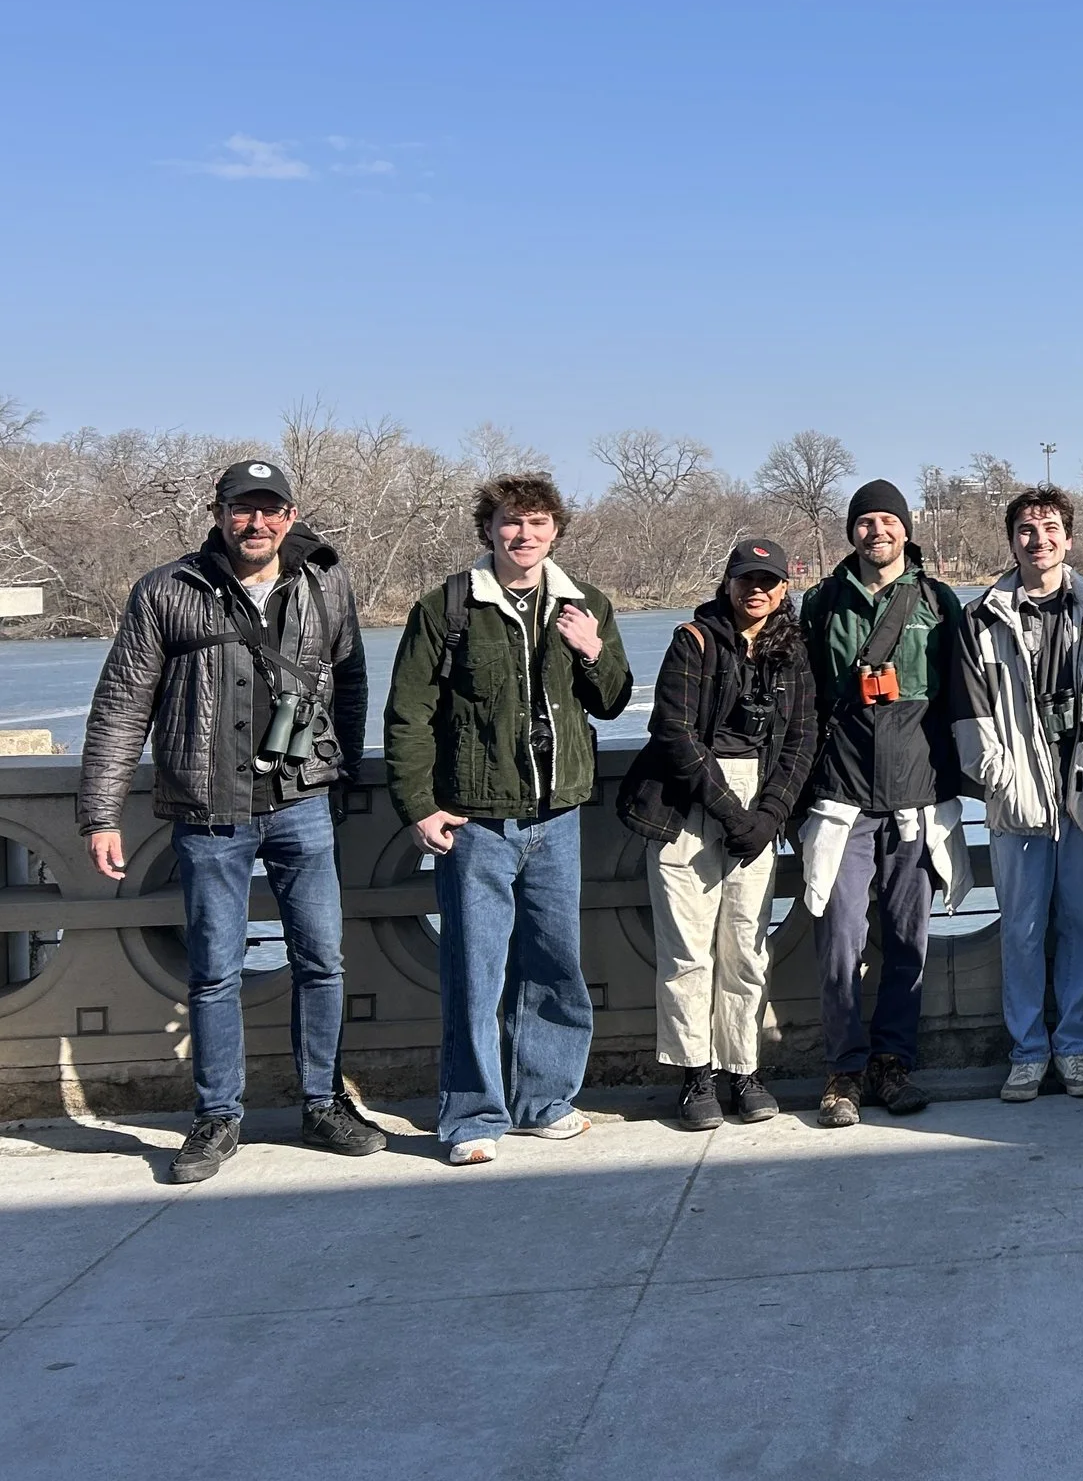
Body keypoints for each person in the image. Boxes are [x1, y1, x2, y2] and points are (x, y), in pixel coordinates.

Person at [78, 458, 385, 1183]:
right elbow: (122, 704)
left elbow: (351, 678)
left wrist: (339, 769)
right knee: (214, 971)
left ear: (290, 512)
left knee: (322, 960)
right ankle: (217, 1117)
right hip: (207, 810)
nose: (257, 522)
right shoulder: (167, 590)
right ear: (217, 513)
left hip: (302, 804)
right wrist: (101, 812)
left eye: (270, 509)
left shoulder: (324, 581)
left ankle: (323, 1101)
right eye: (242, 509)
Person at [384, 472, 633, 1166]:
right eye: (509, 522)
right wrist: (418, 806)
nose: (523, 534)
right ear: (488, 530)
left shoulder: (585, 604)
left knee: (555, 964)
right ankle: (471, 1115)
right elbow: (408, 716)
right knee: (475, 970)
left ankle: (544, 1100)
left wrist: (592, 648)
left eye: (537, 522)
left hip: (558, 816)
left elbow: (612, 699)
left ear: (557, 529)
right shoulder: (448, 607)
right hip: (476, 820)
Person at [617, 538, 818, 1130]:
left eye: (769, 581)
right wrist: (732, 813)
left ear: (784, 589)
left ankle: (744, 1069)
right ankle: (694, 1075)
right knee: (687, 950)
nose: (756, 590)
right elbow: (674, 732)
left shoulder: (793, 650)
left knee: (747, 949)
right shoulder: (693, 640)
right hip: (687, 806)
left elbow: (803, 737)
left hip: (760, 804)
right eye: (746, 579)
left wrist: (771, 814)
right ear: (726, 583)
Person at [794, 480, 971, 1128]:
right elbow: (801, 702)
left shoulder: (938, 601)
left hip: (916, 798)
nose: (877, 531)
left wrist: (967, 779)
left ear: (905, 528)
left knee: (908, 940)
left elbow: (962, 700)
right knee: (839, 937)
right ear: (852, 532)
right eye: (865, 521)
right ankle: (844, 1070)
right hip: (841, 797)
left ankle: (894, 1062)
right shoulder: (821, 603)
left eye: (887, 520)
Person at [953, 485, 1083, 1104]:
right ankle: (1027, 1052)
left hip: (1081, 791)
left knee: (1082, 923)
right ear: (1012, 539)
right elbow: (969, 714)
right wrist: (999, 777)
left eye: (1051, 529)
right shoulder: (981, 618)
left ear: (1069, 539)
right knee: (1020, 928)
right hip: (1017, 795)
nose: (1039, 540)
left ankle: (1075, 1049)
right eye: (1027, 529)